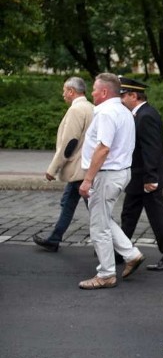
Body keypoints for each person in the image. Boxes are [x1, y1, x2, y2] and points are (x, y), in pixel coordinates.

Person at [78, 73, 145, 290]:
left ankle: (106, 273)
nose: (92, 93)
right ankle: (131, 253)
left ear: (104, 92)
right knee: (105, 218)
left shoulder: (106, 113)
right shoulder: (123, 111)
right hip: (119, 172)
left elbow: (103, 148)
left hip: (106, 174)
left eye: (95, 90)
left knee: (99, 225)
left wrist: (88, 179)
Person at [118, 76, 163, 272]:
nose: (121, 100)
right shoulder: (140, 114)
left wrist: (151, 178)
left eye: (123, 96)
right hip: (138, 177)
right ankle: (120, 251)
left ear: (133, 95)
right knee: (128, 215)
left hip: (146, 178)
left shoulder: (146, 115)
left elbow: (152, 149)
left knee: (157, 218)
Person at [32, 77, 94, 252]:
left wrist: (53, 168)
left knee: (94, 210)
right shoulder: (91, 107)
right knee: (69, 202)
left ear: (71, 91)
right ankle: (54, 238)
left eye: (64, 91)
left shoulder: (76, 110)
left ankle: (115, 246)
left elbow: (69, 143)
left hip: (77, 167)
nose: (63, 94)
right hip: (85, 167)